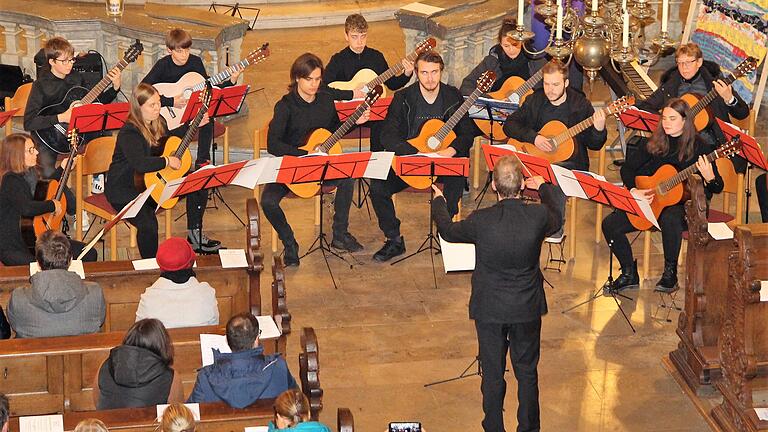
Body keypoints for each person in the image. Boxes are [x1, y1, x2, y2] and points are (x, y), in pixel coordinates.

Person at [431, 155, 562, 432]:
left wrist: (439, 201)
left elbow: (448, 230)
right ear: (522, 184)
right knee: (526, 372)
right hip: (526, 307)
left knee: (492, 373)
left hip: (490, 307)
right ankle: (528, 428)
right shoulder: (538, 216)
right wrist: (544, 188)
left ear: (493, 186)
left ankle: (493, 426)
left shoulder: (482, 220)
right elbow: (557, 216)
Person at [602, 98, 723, 293]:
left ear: (685, 120)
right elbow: (627, 169)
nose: (666, 122)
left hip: (687, 205)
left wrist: (710, 177)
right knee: (610, 224)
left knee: (670, 218)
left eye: (672, 118)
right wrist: (634, 190)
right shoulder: (656, 142)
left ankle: (670, 273)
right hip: (653, 199)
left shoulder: (701, 147)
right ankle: (628, 272)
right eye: (664, 118)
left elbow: (717, 187)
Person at [263, 53, 369, 266]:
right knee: (268, 202)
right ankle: (290, 242)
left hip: (320, 166)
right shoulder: (284, 106)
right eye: (308, 79)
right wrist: (304, 154)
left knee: (348, 178)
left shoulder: (326, 100)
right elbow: (273, 144)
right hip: (292, 165)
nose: (313, 84)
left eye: (317, 79)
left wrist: (357, 121)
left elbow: (334, 131)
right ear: (296, 78)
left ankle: (340, 234)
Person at [370, 50, 474, 262]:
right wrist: (415, 153)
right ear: (416, 73)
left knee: (457, 175)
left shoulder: (452, 96)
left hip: (444, 161)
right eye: (424, 73)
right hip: (412, 162)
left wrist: (451, 150)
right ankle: (393, 239)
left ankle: (447, 233)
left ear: (441, 72)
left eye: (434, 72)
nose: (430, 78)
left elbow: (467, 133)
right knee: (378, 186)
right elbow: (387, 135)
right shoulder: (403, 98)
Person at [141, 28, 234, 252]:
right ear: (169, 50)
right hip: (168, 123)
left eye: (187, 50)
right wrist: (171, 100)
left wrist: (229, 82)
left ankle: (202, 161)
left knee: (207, 118)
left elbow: (208, 89)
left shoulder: (195, 63)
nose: (184, 55)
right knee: (181, 143)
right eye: (180, 51)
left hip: (191, 116)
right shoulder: (163, 65)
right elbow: (142, 91)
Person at [105, 83, 217, 257]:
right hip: (124, 189)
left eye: (158, 102)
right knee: (148, 223)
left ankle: (194, 235)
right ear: (138, 107)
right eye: (152, 105)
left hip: (154, 182)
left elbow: (169, 140)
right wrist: (167, 161)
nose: (158, 108)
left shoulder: (158, 122)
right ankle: (150, 266)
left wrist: (193, 124)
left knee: (197, 182)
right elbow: (140, 163)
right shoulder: (129, 132)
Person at [502, 59, 606, 239]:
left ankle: (554, 228)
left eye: (555, 84)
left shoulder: (580, 105)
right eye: (546, 84)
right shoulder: (536, 99)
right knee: (506, 170)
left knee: (554, 175)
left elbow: (594, 144)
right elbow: (509, 125)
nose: (550, 89)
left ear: (566, 83)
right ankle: (509, 224)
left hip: (571, 165)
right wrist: (534, 137)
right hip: (534, 160)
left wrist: (598, 128)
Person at [24, 36, 121, 178]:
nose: (69, 64)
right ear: (52, 62)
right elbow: (29, 122)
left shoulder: (76, 78)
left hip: (76, 132)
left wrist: (115, 88)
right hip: (48, 136)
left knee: (104, 136)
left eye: (71, 59)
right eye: (64, 61)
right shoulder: (41, 85)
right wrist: (61, 117)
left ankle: (98, 179)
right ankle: (52, 196)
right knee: (47, 172)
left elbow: (95, 104)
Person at [0, 133, 97, 265]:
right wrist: (52, 205)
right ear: (17, 155)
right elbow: (27, 208)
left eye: (34, 148)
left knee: (88, 252)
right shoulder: (11, 180)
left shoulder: (29, 173)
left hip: (33, 240)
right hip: (16, 247)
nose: (37, 152)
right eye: (31, 150)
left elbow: (44, 189)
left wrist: (62, 169)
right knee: (52, 265)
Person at [636, 42, 750, 154]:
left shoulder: (715, 82)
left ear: (699, 62)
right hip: (679, 144)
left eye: (688, 62)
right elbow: (646, 106)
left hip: (712, 143)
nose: (684, 68)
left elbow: (743, 113)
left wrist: (729, 99)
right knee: (642, 152)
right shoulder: (671, 85)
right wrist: (669, 120)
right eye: (680, 63)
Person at [323, 13, 413, 152]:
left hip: (372, 114)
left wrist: (407, 73)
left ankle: (375, 160)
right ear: (346, 36)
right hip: (348, 115)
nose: (359, 42)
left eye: (363, 36)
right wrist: (353, 93)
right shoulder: (338, 60)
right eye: (354, 37)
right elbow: (324, 89)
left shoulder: (376, 57)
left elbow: (392, 84)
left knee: (385, 122)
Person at [188, 312, 297, 408]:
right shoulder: (278, 367)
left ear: (227, 341)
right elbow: (297, 401)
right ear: (256, 340)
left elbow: (191, 414)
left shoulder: (206, 376)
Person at [8, 230, 105, 338]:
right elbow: (100, 320)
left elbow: (15, 325)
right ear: (70, 259)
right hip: (86, 354)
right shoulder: (95, 294)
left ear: (38, 263)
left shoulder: (18, 298)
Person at [94, 318, 184, 409]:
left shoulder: (105, 365)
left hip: (107, 422)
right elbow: (176, 413)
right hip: (151, 423)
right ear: (162, 345)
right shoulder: (170, 377)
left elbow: (97, 402)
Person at [135, 237, 218, 328]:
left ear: (160, 265)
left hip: (160, 342)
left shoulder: (148, 298)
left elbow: (140, 334)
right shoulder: (207, 294)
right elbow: (213, 329)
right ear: (191, 262)